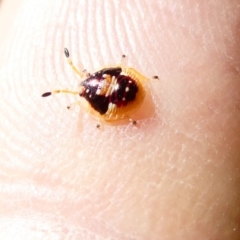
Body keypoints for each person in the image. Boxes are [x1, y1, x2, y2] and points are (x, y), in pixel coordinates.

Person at [0, 0, 239, 239]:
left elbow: (105, 113)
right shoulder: (97, 95)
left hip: (125, 95)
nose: (82, 85)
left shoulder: (97, 100)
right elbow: (114, 83)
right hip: (126, 91)